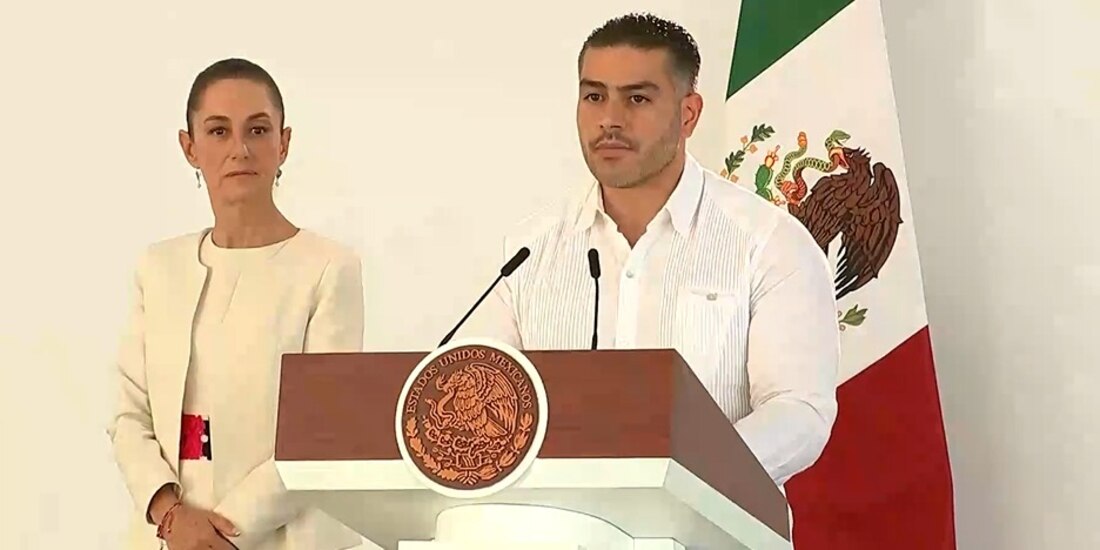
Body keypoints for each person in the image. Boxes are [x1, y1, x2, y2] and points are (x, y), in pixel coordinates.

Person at [470, 13, 840, 489]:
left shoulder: (768, 244)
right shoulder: (527, 252)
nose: (609, 119)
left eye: (637, 98)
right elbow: (481, 400)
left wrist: (675, 473)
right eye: (594, 96)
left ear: (689, 114)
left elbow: (798, 412)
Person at [107, 58, 365, 550]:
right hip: (166, 538)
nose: (239, 149)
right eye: (218, 131)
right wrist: (171, 516)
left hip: (285, 538)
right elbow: (128, 414)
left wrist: (218, 534)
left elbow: (318, 434)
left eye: (258, 129)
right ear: (189, 147)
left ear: (283, 143)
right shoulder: (158, 268)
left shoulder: (328, 268)